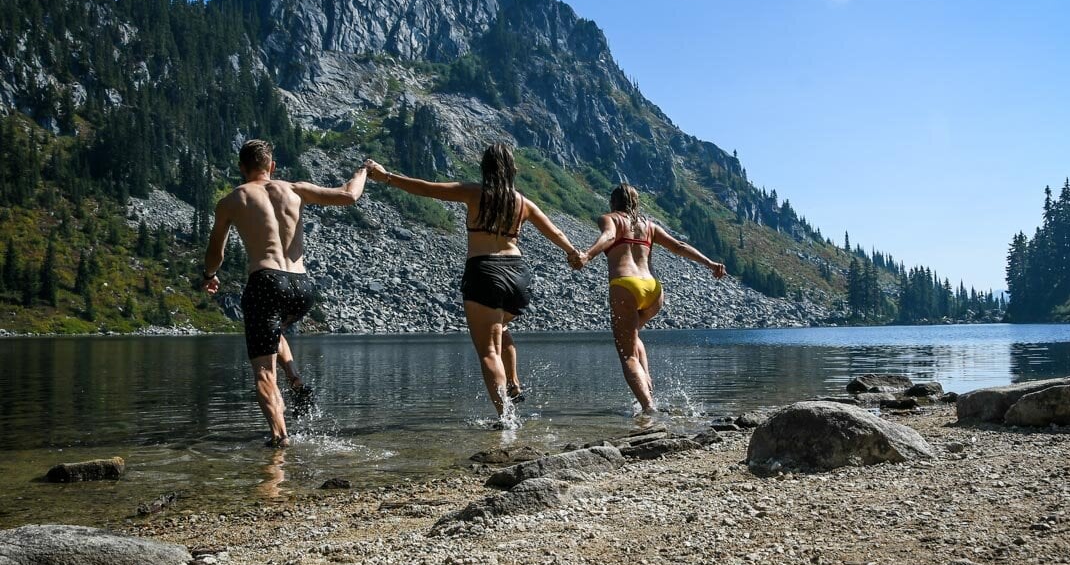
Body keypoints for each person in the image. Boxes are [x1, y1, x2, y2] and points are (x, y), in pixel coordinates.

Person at [363, 143, 582, 419]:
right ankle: (513, 382)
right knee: (499, 327)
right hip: (518, 275)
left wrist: (385, 177)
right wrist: (574, 253)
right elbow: (556, 231)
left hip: (485, 271)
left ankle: (506, 418)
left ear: (485, 168)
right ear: (512, 169)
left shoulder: (474, 192)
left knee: (488, 350)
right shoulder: (523, 202)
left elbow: (426, 188)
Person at [202, 139, 368, 447]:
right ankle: (294, 377)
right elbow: (349, 195)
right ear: (271, 167)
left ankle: (279, 440)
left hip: (265, 281)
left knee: (264, 372)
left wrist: (210, 275)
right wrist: (364, 169)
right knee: (272, 327)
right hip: (302, 286)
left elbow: (216, 253)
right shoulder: (295, 188)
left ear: (241, 168)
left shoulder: (231, 200)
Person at [578, 183, 725, 413]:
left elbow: (608, 237)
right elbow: (678, 246)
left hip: (626, 285)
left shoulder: (610, 219)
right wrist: (710, 263)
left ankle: (648, 407)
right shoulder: (649, 226)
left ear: (613, 202)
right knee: (633, 334)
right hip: (653, 290)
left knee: (626, 354)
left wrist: (587, 255)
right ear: (636, 203)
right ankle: (647, 383)